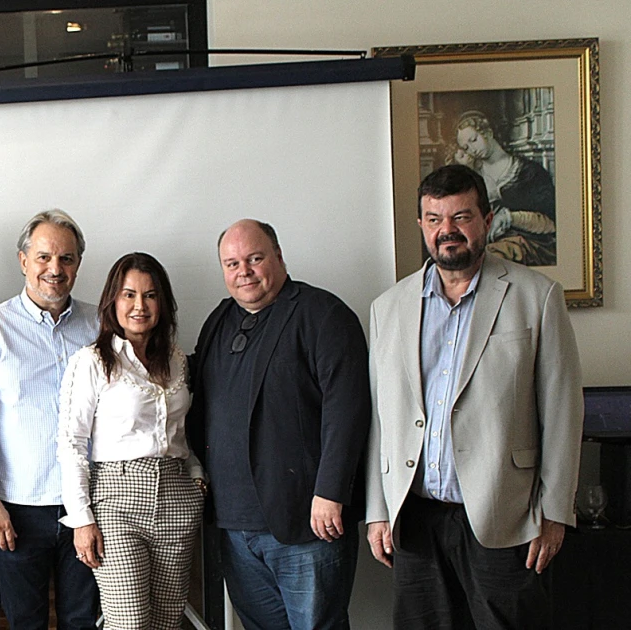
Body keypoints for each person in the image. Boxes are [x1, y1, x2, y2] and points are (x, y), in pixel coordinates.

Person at [366, 164, 583, 629]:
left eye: (460, 217)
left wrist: (555, 513)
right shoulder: (388, 308)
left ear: (486, 220)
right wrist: (377, 511)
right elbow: (382, 420)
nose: (447, 230)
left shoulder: (536, 296)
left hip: (506, 515)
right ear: (422, 224)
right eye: (434, 219)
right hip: (415, 518)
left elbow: (563, 412)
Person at [188, 219, 370, 630]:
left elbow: (348, 410)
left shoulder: (323, 315)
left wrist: (331, 492)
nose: (244, 272)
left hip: (307, 522)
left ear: (279, 256)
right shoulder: (219, 319)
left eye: (254, 258)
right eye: (232, 263)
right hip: (234, 525)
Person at [0, 209, 100, 629]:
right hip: (17, 508)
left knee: (82, 620)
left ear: (78, 264)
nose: (55, 269)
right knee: (24, 622)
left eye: (67, 259)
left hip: (87, 504)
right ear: (23, 261)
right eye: (43, 257)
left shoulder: (99, 323)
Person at [57, 252, 205, 629]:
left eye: (150, 295)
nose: (140, 306)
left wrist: (196, 478)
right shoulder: (92, 361)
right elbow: (72, 442)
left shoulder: (177, 361)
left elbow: (184, 431)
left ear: (163, 303)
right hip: (116, 502)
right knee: (129, 623)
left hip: (177, 497)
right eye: (129, 295)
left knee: (167, 621)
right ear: (113, 301)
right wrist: (81, 520)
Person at [454, 110, 557, 266]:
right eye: (466, 147)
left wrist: (508, 218)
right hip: (487, 246)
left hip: (530, 244)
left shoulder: (529, 172)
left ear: (488, 132)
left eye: (474, 140)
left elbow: (550, 223)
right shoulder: (474, 175)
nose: (472, 150)